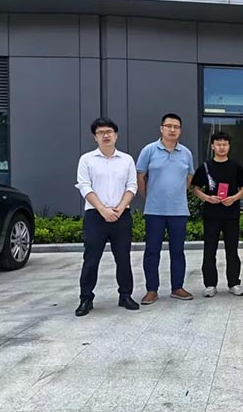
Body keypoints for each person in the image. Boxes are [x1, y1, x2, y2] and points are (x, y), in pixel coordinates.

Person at [74, 118, 139, 316]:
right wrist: (103, 209)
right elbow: (84, 186)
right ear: (95, 137)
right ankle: (86, 298)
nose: (106, 135)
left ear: (116, 135)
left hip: (121, 215)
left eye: (109, 131)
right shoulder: (86, 160)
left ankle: (125, 295)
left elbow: (132, 186)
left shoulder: (127, 160)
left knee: (123, 258)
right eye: (101, 132)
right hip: (95, 215)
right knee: (91, 258)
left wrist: (119, 208)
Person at [136, 113, 195, 304]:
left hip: (179, 211)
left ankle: (177, 287)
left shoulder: (186, 153)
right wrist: (149, 197)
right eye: (168, 126)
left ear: (180, 130)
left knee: (178, 251)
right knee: (152, 251)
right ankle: (151, 290)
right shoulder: (149, 150)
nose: (172, 130)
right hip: (155, 211)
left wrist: (177, 195)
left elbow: (189, 177)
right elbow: (140, 177)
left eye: (176, 127)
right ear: (161, 128)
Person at [191, 131, 243, 297]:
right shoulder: (205, 167)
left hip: (231, 214)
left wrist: (234, 198)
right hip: (211, 214)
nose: (222, 147)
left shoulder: (236, 166)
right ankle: (210, 284)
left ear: (229, 146)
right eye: (218, 144)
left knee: (232, 250)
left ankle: (234, 283)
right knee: (210, 249)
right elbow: (195, 188)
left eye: (225, 144)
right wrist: (207, 198)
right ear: (212, 146)